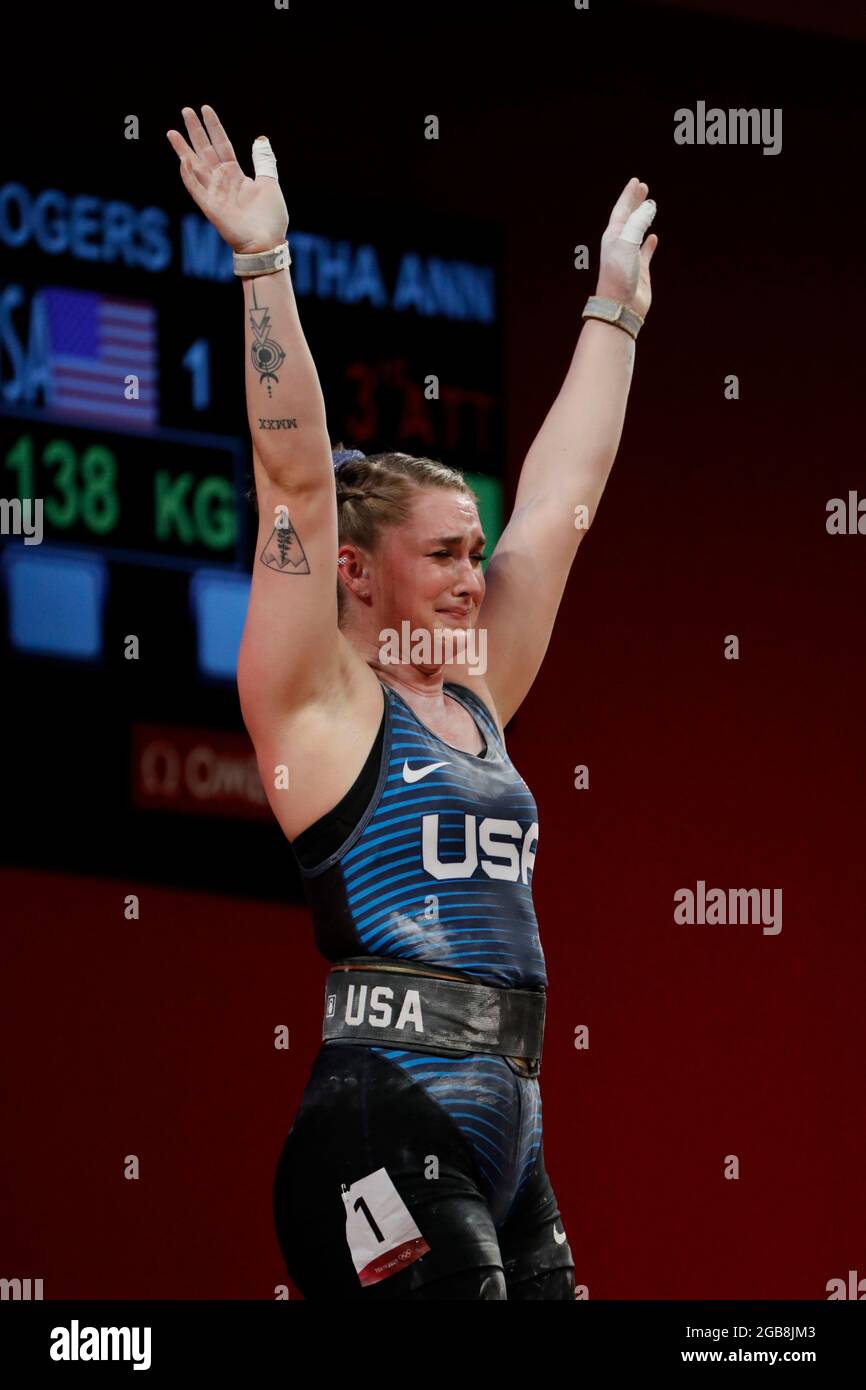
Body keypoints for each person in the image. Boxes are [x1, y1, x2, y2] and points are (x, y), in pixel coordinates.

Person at [166, 104, 658, 1300]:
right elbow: (292, 463)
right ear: (354, 568)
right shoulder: (318, 704)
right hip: (375, 1124)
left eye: (470, 550)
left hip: (508, 1135)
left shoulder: (479, 693)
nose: (469, 575)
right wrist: (259, 260)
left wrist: (615, 314)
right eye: (440, 553)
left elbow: (561, 500)